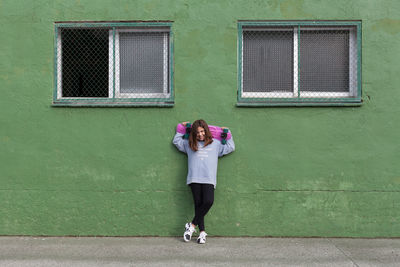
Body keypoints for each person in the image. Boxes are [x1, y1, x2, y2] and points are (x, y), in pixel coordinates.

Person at [172, 119, 235, 244]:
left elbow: (230, 147)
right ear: (193, 134)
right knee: (198, 205)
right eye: (197, 132)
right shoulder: (189, 144)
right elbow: (177, 141)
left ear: (206, 131)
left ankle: (191, 226)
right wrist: (180, 128)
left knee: (208, 201)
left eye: (202, 131)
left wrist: (228, 134)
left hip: (209, 179)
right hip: (194, 178)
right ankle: (202, 233)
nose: (200, 134)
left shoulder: (215, 144)